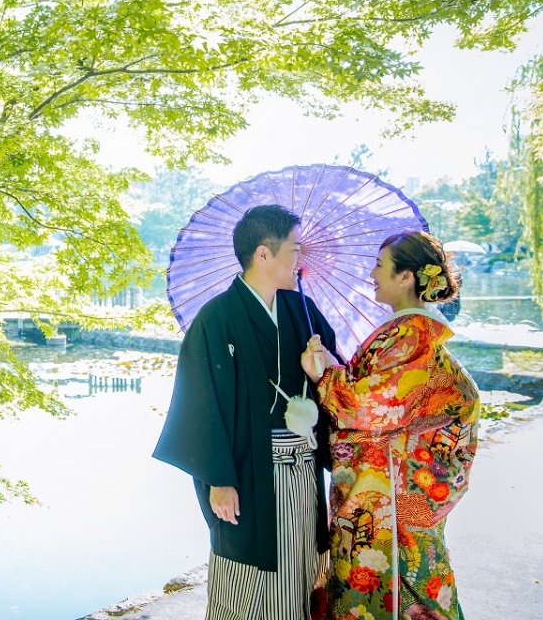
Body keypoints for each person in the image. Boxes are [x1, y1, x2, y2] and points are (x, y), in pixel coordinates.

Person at [154, 204, 339, 620]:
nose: (300, 259)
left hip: (303, 468)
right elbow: (198, 402)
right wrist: (218, 479)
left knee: (299, 569)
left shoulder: (302, 311)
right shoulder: (217, 319)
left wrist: (321, 369)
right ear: (263, 254)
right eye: (294, 249)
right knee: (243, 582)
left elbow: (338, 381)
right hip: (246, 473)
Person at [301, 230, 479, 620]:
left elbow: (371, 406)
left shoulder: (411, 335)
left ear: (406, 278)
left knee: (397, 584)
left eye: (380, 265)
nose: (371, 274)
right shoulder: (409, 332)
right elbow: (383, 391)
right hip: (401, 481)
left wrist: (324, 378)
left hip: (393, 490)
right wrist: (333, 364)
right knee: (410, 583)